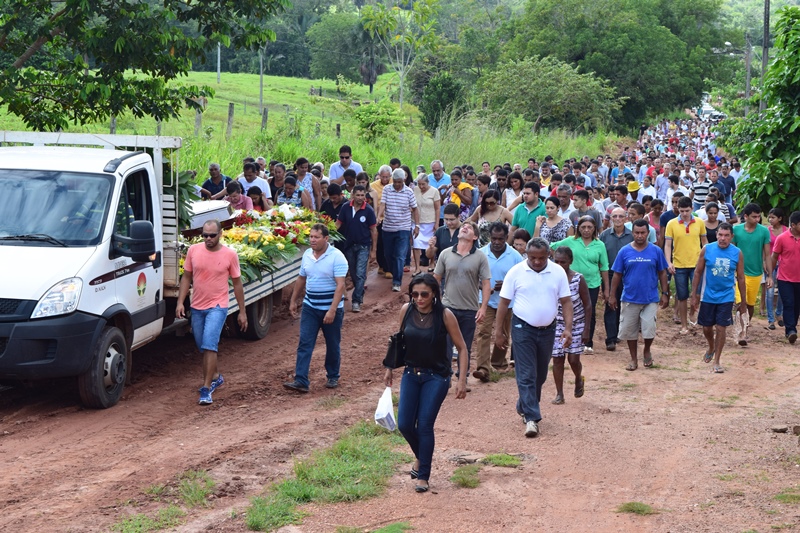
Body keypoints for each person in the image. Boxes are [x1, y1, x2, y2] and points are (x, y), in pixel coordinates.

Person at [384, 274, 467, 493]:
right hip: (411, 373)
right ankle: (421, 456)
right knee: (404, 424)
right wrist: (389, 367)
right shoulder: (406, 310)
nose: (419, 298)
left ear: (434, 294)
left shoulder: (445, 315)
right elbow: (399, 341)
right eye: (415, 294)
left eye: (424, 294)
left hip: (437, 376)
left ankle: (423, 476)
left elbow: (462, 348)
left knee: (424, 425)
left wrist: (461, 380)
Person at [494, 238, 573, 438]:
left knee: (540, 374)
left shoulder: (557, 272)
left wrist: (568, 328)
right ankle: (531, 418)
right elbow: (503, 303)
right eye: (533, 258)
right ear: (526, 255)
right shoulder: (516, 272)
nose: (537, 262)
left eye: (541, 258)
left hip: (548, 329)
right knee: (527, 373)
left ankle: (524, 405)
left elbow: (566, 301)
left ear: (549, 255)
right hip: (522, 328)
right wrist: (499, 331)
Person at [176, 220, 247, 405]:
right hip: (197, 307)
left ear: (220, 234)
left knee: (209, 345)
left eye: (212, 235)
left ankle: (206, 388)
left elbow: (237, 284)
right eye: (205, 235)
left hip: (218, 306)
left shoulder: (230, 255)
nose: (208, 239)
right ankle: (215, 375)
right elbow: (187, 277)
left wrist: (242, 311)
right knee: (202, 345)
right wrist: (180, 302)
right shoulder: (193, 251)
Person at [284, 224, 348, 393]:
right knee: (305, 343)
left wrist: (332, 310)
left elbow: (340, 285)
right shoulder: (307, 254)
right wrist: (293, 301)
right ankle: (301, 380)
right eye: (311, 236)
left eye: (316, 237)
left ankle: (333, 376)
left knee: (332, 343)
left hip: (331, 309)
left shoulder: (337, 257)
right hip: (310, 307)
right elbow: (301, 278)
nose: (312, 240)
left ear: (326, 238)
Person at [608, 219, 670, 371]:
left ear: (648, 233)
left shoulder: (656, 251)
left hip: (650, 298)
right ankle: (633, 359)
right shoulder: (624, 251)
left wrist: (665, 293)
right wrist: (612, 295)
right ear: (632, 233)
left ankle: (647, 350)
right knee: (630, 331)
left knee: (649, 329)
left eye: (643, 233)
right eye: (637, 233)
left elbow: (662, 272)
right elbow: (617, 274)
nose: (640, 236)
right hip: (629, 298)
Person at [434, 221, 491, 382]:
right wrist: (435, 302)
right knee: (444, 345)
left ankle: (462, 378)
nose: (464, 227)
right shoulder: (445, 254)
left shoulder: (480, 257)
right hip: (447, 307)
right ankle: (445, 377)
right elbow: (436, 279)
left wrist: (483, 308)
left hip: (469, 309)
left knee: (464, 346)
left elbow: (486, 284)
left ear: (475, 237)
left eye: (469, 227)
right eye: (463, 226)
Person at [691, 223, 746, 374]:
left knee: (721, 328)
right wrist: (694, 295)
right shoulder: (707, 249)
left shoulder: (737, 253)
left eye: (726, 235)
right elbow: (698, 272)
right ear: (716, 235)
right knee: (707, 328)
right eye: (720, 235)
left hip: (726, 296)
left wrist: (743, 301)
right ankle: (711, 346)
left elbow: (741, 278)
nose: (723, 238)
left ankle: (717, 361)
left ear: (732, 237)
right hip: (708, 295)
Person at [550, 216, 609, 354]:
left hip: (592, 283)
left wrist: (606, 288)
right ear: (578, 228)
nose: (586, 230)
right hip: (571, 282)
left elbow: (604, 266)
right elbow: (552, 247)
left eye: (590, 227)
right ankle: (567, 335)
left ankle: (587, 341)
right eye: (583, 227)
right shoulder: (570, 241)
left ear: (594, 228)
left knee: (589, 310)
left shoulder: (599, 244)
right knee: (569, 308)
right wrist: (559, 264)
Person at [473, 222, 523, 380]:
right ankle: (483, 368)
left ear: (507, 237)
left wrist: (508, 285)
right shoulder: (480, 254)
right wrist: (483, 286)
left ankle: (497, 362)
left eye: (500, 239)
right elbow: (472, 276)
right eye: (494, 238)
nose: (496, 242)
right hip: (485, 301)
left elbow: (522, 278)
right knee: (483, 332)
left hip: (507, 302)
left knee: (504, 332)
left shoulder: (515, 256)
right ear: (489, 237)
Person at [550, 246, 589, 405]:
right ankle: (559, 393)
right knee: (558, 359)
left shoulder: (578, 279)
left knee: (573, 359)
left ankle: (578, 378)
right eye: (556, 261)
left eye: (563, 262)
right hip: (556, 323)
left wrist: (586, 329)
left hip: (576, 323)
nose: (559, 265)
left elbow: (587, 305)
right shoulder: (550, 278)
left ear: (570, 261)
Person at [664, 196, 708, 334]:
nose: (684, 214)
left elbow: (704, 242)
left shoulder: (699, 222)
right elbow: (667, 245)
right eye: (681, 211)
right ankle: (684, 325)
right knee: (682, 296)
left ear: (692, 209)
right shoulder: (671, 224)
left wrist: (706, 259)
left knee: (697, 293)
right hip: (679, 264)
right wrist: (668, 262)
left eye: (687, 211)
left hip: (697, 264)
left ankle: (692, 316)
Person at [732, 203, 773, 342]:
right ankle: (741, 332)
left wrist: (770, 275)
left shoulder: (764, 231)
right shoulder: (736, 230)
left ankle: (745, 329)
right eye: (754, 216)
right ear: (746, 216)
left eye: (758, 216)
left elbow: (767, 254)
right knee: (740, 302)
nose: (757, 219)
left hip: (756, 273)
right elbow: (732, 251)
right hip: (739, 273)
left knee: (750, 304)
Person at [336, 185, 377, 313]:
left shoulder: (368, 210)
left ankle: (356, 300)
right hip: (349, 245)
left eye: (362, 195)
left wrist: (373, 250)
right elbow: (338, 224)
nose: (360, 198)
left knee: (360, 273)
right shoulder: (345, 207)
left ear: (365, 196)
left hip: (363, 245)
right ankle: (359, 292)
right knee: (353, 273)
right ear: (353, 195)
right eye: (358, 195)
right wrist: (327, 234)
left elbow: (373, 230)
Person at [378, 168, 420, 291]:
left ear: (404, 180)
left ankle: (397, 281)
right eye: (395, 181)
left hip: (403, 228)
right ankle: (394, 271)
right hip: (388, 228)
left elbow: (415, 209)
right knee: (388, 254)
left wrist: (417, 226)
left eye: (399, 182)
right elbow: (383, 204)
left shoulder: (409, 192)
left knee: (400, 256)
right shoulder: (387, 189)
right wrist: (379, 216)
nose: (397, 184)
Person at [599, 207, 634, 351]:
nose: (618, 219)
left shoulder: (632, 235)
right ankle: (611, 338)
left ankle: (620, 332)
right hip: (610, 274)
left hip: (628, 275)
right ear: (611, 218)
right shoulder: (604, 235)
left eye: (621, 216)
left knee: (625, 304)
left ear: (626, 218)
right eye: (615, 216)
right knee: (610, 304)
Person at [771, 211, 800, 344]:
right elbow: (774, 257)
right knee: (788, 303)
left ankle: (791, 327)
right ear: (793, 225)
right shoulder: (782, 238)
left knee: (797, 305)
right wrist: (770, 275)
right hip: (784, 278)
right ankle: (791, 330)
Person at [412, 175, 441, 275]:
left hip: (430, 222)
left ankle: (432, 263)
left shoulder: (434, 191)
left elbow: (437, 208)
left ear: (428, 183)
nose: (421, 186)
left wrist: (436, 223)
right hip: (417, 222)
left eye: (423, 184)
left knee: (431, 244)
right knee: (416, 243)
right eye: (419, 184)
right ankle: (417, 268)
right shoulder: (415, 190)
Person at [766, 208, 787, 330]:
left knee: (782, 291)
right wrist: (764, 262)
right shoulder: (767, 231)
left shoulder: (786, 231)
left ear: (780, 218)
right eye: (769, 217)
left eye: (773, 217)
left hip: (783, 264)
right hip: (770, 263)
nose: (770, 220)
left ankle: (779, 313)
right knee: (769, 291)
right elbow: (764, 248)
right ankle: (770, 319)